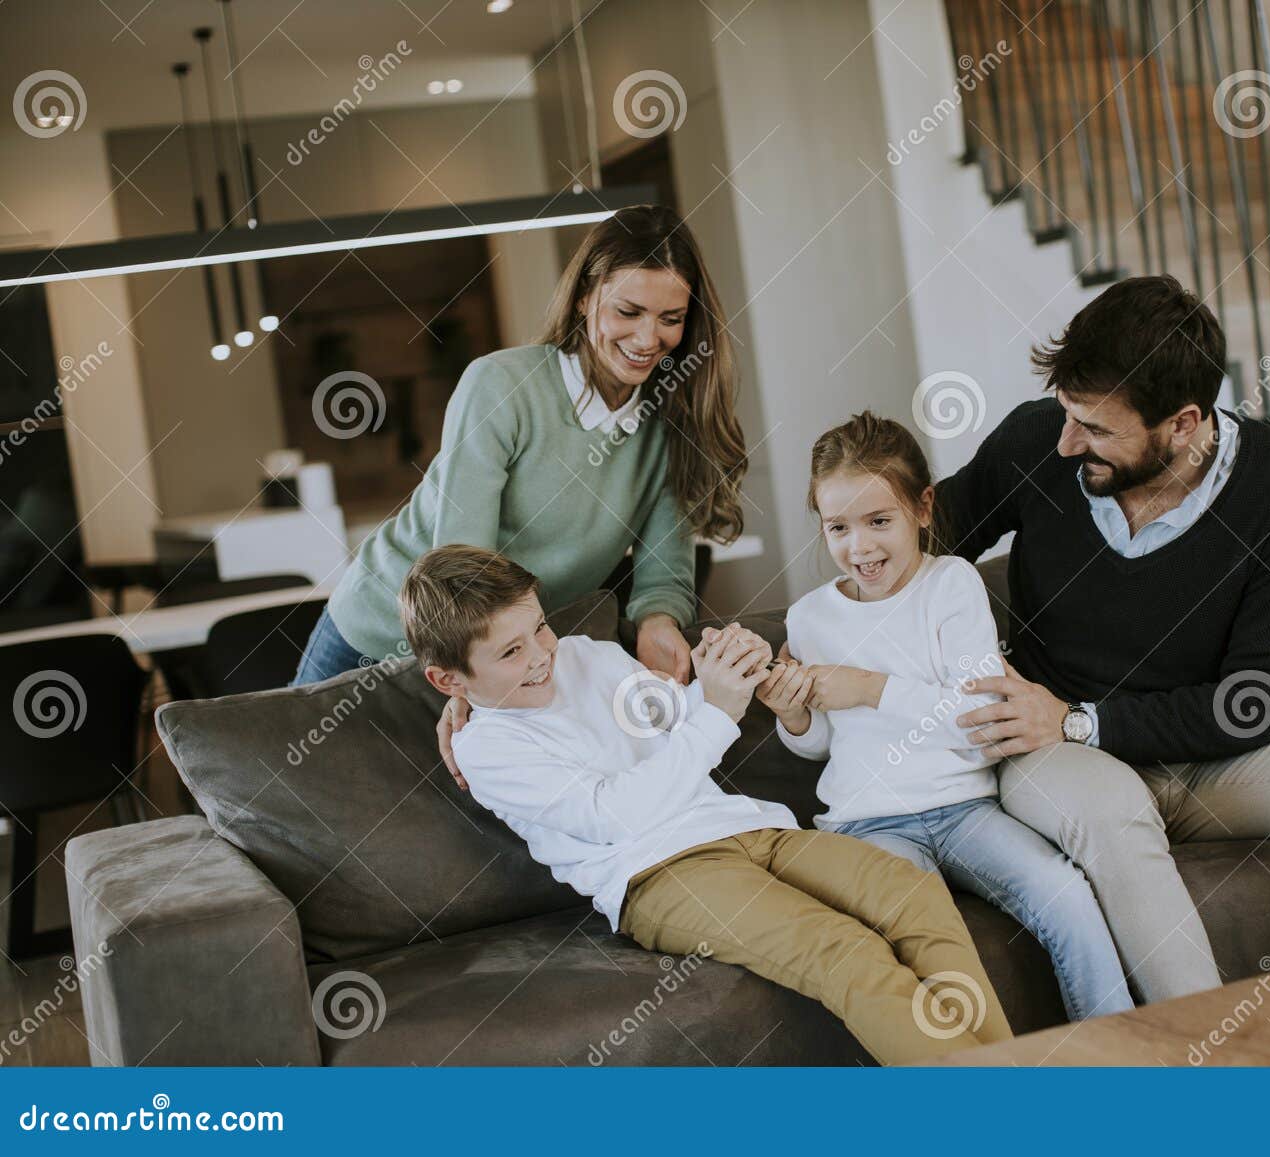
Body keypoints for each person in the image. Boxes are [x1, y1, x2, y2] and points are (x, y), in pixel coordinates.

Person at [938, 275, 1270, 1003]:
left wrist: (1082, 717)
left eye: (1096, 428)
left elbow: (1259, 702)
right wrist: (966, 654)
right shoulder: (1038, 441)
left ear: (1184, 424)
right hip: (1057, 753)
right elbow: (924, 544)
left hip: (1207, 759)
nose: (1068, 443)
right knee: (1111, 813)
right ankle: (1221, 1066)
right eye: (1068, 415)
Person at [399, 543, 1013, 1065]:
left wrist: (725, 672)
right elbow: (614, 812)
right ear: (448, 680)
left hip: (747, 828)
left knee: (911, 894)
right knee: (846, 953)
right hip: (659, 873)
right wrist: (717, 710)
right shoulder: (486, 750)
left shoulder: (585, 655)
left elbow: (681, 728)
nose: (539, 655)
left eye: (538, 627)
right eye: (509, 652)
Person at [294, 204, 746, 718]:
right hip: (383, 627)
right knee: (280, 788)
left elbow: (663, 571)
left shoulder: (669, 423)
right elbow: (461, 562)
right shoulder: (502, 385)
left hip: (495, 657)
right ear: (582, 299)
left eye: (671, 319)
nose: (648, 340)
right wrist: (472, 678)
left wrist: (657, 621)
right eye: (628, 311)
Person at [759, 412, 1133, 1023]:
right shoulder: (808, 620)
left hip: (966, 809)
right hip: (868, 824)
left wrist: (870, 688)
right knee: (925, 937)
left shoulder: (952, 585)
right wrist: (793, 716)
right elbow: (823, 744)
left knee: (1064, 893)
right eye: (839, 527)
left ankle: (1119, 1065)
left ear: (923, 509)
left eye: (880, 521)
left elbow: (981, 713)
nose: (861, 547)